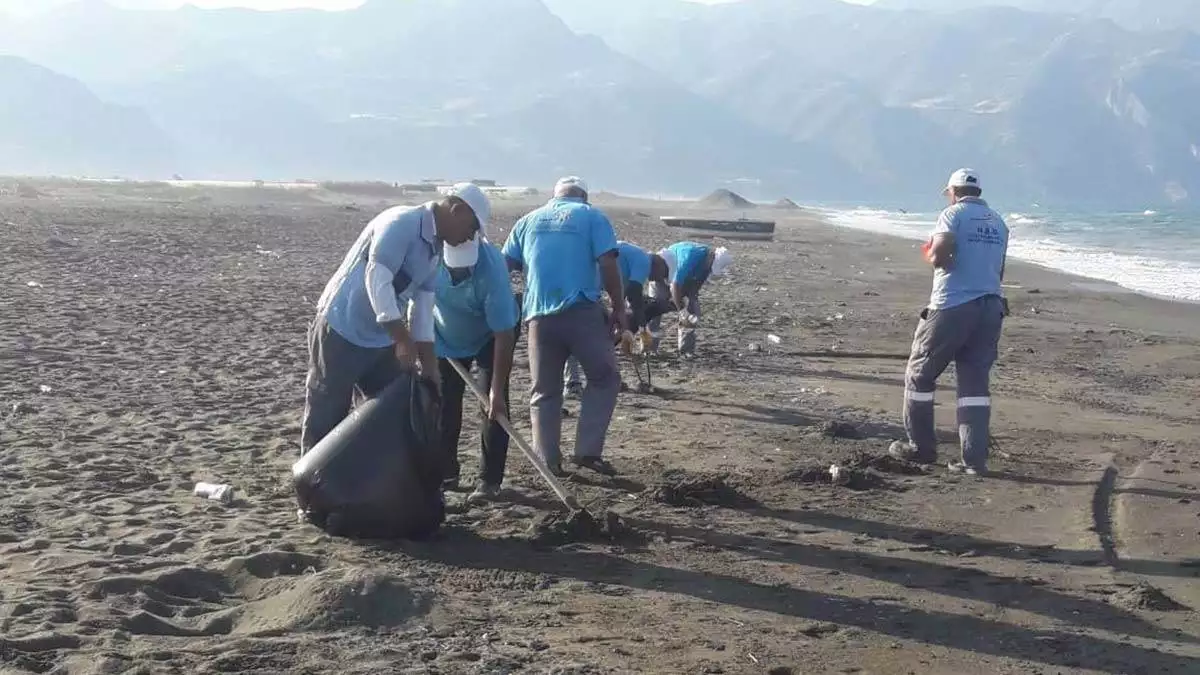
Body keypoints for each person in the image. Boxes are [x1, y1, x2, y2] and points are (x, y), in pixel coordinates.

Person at [300, 183, 491, 454]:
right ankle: (313, 489)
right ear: (457, 210)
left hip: (381, 337)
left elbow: (423, 306)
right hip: (343, 328)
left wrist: (429, 364)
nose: (470, 237)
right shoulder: (401, 223)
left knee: (384, 413)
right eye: (471, 228)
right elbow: (377, 280)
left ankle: (365, 485)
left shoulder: (434, 250)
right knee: (327, 411)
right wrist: (401, 339)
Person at [503, 176, 627, 476]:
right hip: (581, 309)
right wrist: (619, 307)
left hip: (538, 316)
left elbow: (506, 263)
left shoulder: (528, 220)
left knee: (544, 389)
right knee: (604, 378)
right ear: (584, 197)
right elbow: (608, 264)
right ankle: (586, 452)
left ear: (554, 197)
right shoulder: (591, 216)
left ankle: (547, 460)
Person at [889, 168, 1009, 476]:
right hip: (990, 306)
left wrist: (931, 254)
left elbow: (941, 256)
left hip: (953, 305)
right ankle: (974, 460)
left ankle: (921, 448)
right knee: (974, 383)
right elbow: (999, 271)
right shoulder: (999, 223)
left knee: (919, 374)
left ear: (953, 192)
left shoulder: (952, 215)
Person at [434, 235, 520, 502]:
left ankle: (489, 481)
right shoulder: (429, 261)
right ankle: (445, 473)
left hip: (491, 336)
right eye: (454, 269)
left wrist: (495, 390)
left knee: (493, 406)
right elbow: (417, 307)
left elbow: (504, 335)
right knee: (444, 403)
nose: (459, 273)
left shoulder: (492, 269)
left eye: (464, 269)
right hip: (446, 336)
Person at [563, 241, 670, 397]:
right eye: (663, 274)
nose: (660, 279)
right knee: (581, 335)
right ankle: (573, 384)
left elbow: (625, 298)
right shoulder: (643, 260)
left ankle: (603, 378)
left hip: (586, 287)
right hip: (581, 290)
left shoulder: (632, 263)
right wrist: (642, 329)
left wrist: (627, 327)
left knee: (603, 334)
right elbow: (634, 294)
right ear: (659, 264)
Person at [647, 241, 734, 357]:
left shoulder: (707, 265)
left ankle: (686, 351)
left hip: (680, 280)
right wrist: (682, 311)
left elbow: (695, 287)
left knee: (692, 311)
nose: (709, 270)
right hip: (661, 273)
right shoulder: (691, 256)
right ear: (711, 258)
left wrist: (690, 306)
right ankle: (649, 349)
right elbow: (675, 286)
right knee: (653, 311)